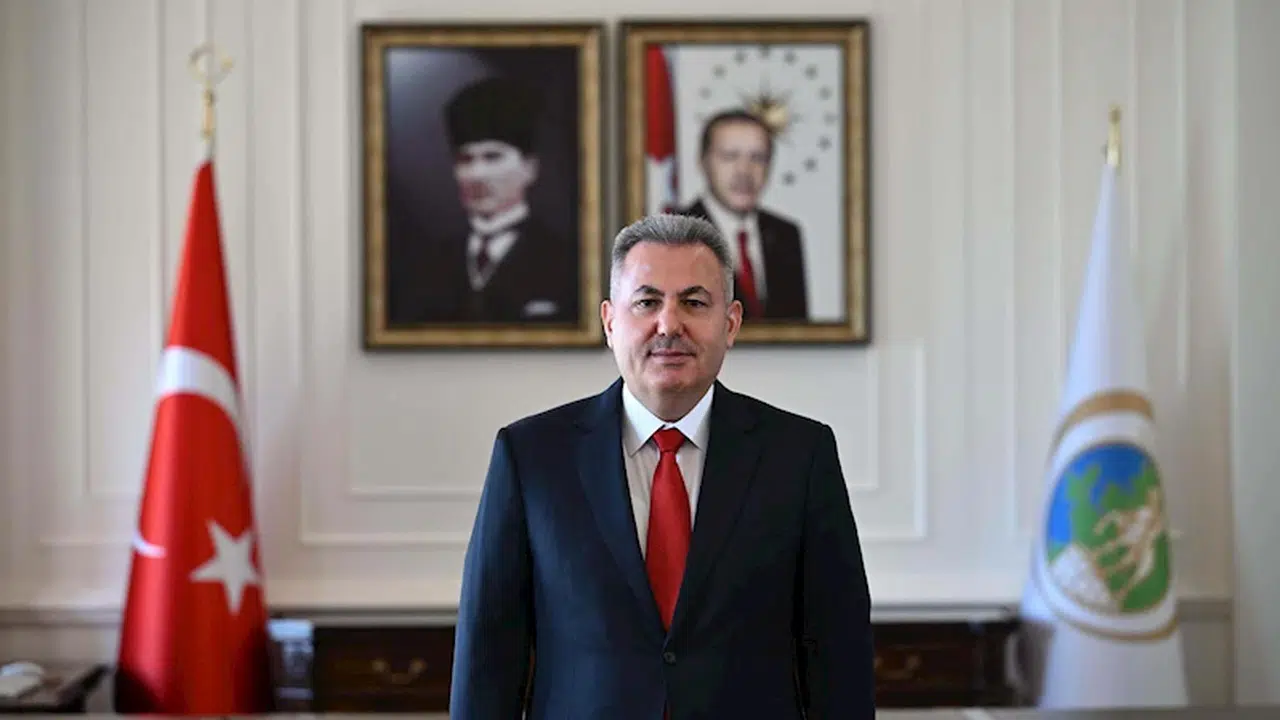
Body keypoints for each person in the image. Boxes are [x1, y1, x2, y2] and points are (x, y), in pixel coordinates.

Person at [450, 213, 875, 719]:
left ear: (731, 323)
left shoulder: (800, 455)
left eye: (694, 302)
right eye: (647, 302)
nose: (669, 325)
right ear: (611, 322)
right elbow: (488, 656)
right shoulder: (531, 457)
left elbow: (838, 655)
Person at [389, 75, 579, 326]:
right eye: (466, 160)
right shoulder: (425, 264)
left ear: (529, 168)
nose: (477, 174)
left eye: (493, 157)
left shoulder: (566, 261)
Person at [679, 109, 809, 322]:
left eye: (758, 158)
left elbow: (798, 330)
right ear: (703, 162)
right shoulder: (674, 236)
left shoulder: (786, 234)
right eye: (730, 156)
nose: (744, 171)